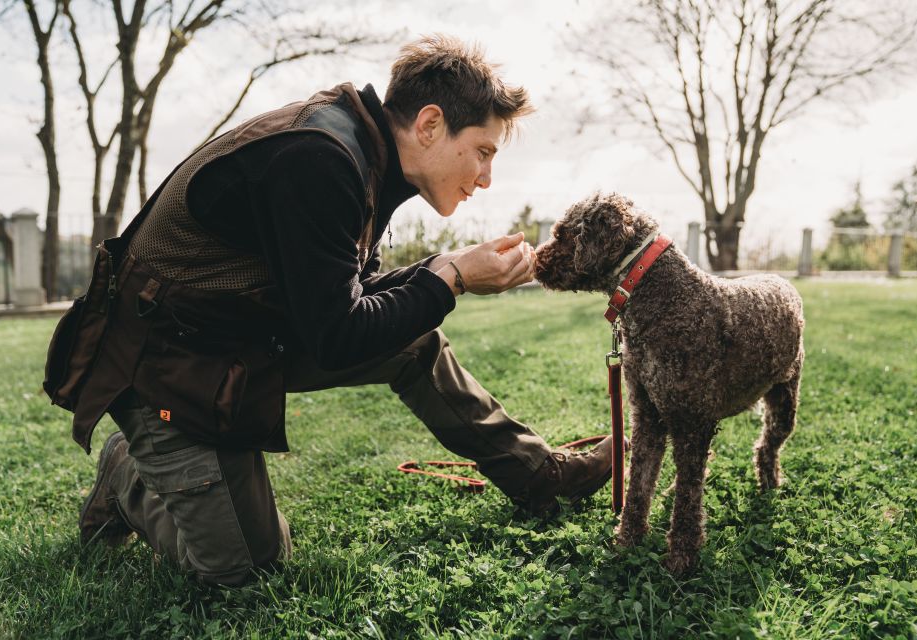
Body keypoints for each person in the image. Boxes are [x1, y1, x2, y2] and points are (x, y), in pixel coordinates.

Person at [63, 35, 612, 586]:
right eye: (483, 151)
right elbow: (336, 336)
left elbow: (350, 295)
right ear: (429, 125)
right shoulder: (320, 157)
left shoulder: (364, 149)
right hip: (168, 365)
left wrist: (448, 269)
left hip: (243, 341)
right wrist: (452, 277)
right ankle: (126, 472)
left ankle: (538, 476)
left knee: (412, 337)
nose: (487, 178)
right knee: (247, 569)